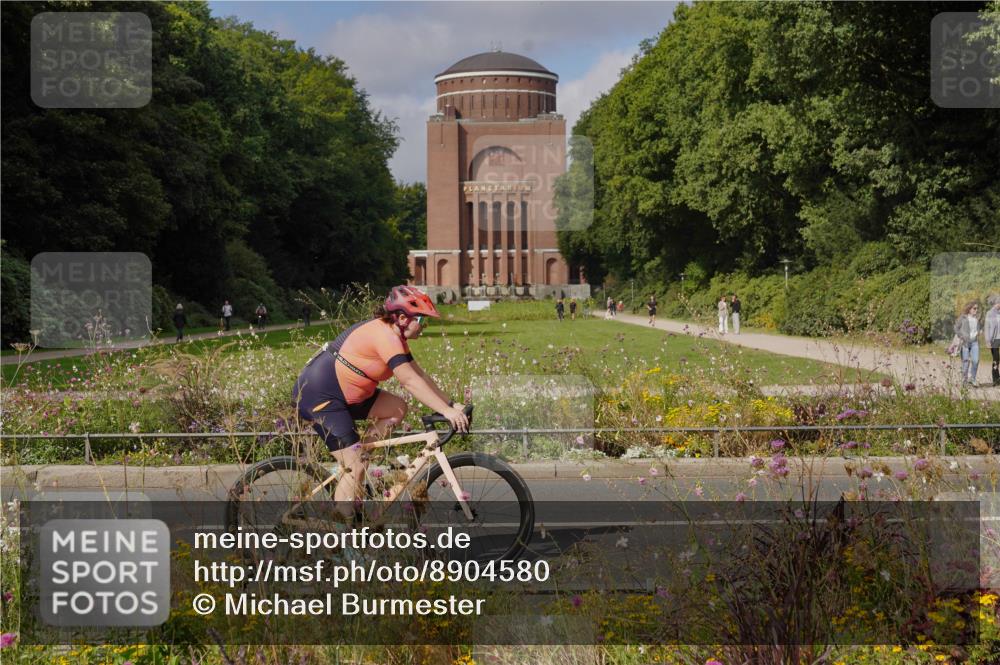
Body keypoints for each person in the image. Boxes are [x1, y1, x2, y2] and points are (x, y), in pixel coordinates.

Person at [292, 285, 469, 515]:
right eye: (423, 321)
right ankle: (340, 542)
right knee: (355, 466)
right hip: (320, 395)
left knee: (396, 408)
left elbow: (420, 375)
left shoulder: (397, 336)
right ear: (404, 318)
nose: (425, 326)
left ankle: (357, 462)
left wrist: (452, 404)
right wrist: (446, 411)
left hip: (347, 394)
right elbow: (408, 381)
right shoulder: (385, 335)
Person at [954, 301, 982, 386]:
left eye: (977, 308)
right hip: (965, 343)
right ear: (969, 309)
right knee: (965, 362)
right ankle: (964, 380)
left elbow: (977, 329)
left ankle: (972, 379)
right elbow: (956, 327)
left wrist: (979, 331)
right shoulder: (963, 318)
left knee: (976, 361)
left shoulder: (977, 319)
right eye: (974, 308)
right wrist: (960, 335)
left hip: (974, 342)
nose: (976, 310)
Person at [986, 295, 1000, 387]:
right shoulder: (989, 313)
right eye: (999, 303)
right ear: (995, 303)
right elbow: (987, 328)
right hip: (994, 339)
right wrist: (988, 341)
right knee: (996, 359)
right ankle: (996, 379)